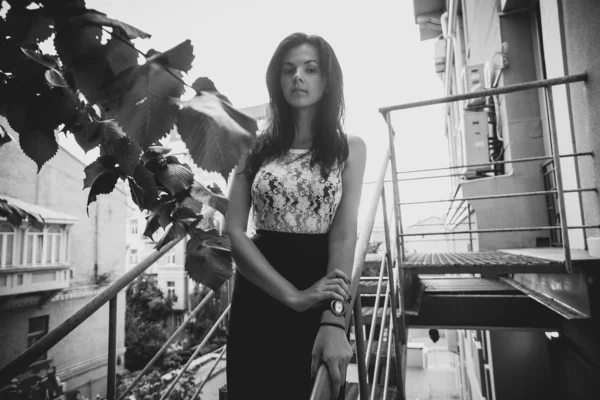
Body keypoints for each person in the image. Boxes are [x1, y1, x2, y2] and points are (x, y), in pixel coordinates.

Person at [224, 32, 367, 400]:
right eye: (288, 70)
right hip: (258, 292)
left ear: (327, 79)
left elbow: (344, 236)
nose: (298, 77)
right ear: (278, 80)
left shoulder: (350, 149)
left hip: (321, 287)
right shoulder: (250, 145)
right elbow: (234, 231)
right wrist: (292, 296)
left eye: (310, 68)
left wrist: (335, 320)